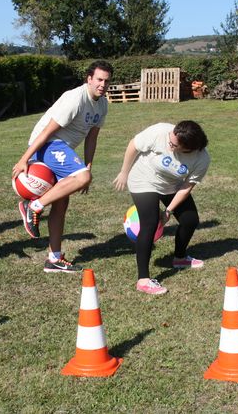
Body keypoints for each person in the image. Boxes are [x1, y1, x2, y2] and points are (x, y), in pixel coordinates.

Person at [12, 60, 112, 273]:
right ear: (89, 79)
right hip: (47, 144)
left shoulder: (102, 104)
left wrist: (88, 166)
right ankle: (34, 206)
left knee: (61, 203)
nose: (102, 84)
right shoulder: (75, 98)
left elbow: (92, 138)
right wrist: (24, 159)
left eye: (106, 81)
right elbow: (47, 131)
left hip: (63, 148)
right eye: (99, 80)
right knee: (82, 178)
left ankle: (54, 259)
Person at [113, 121, 210, 295]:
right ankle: (143, 280)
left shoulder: (201, 159)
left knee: (190, 220)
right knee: (150, 224)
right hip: (143, 180)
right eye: (170, 139)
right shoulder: (160, 131)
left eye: (173, 145)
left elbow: (187, 186)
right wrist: (124, 172)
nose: (168, 144)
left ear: (187, 148)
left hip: (172, 185)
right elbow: (133, 145)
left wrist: (168, 211)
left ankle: (180, 258)